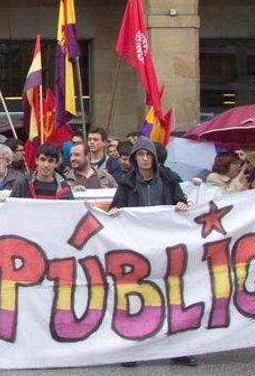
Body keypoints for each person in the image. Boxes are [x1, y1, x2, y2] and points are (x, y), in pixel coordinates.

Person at [108, 137, 195, 367]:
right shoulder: (126, 183)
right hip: (138, 249)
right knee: (138, 298)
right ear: (135, 158)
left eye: (148, 155)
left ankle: (179, 349)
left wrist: (182, 205)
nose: (145, 159)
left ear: (155, 158)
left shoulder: (168, 180)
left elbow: (182, 202)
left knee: (173, 297)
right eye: (140, 155)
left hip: (166, 247)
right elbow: (115, 207)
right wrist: (116, 212)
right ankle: (135, 349)